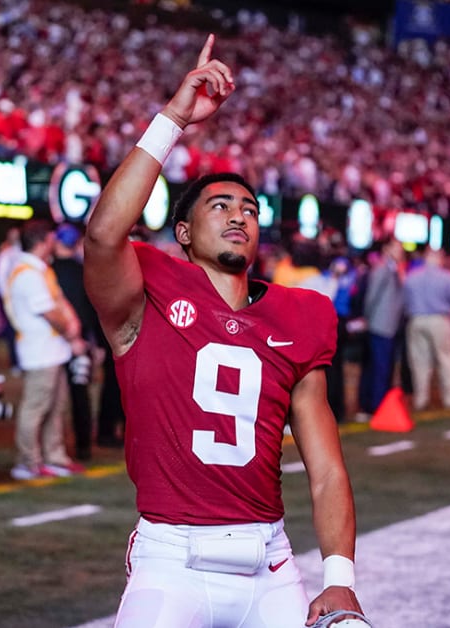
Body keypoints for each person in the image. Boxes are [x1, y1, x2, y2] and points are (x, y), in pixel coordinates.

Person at [83, 35, 363, 627]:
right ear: (182, 233)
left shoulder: (300, 314)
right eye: (220, 206)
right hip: (171, 558)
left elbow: (326, 468)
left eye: (250, 209)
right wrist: (174, 119)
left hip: (269, 562)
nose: (239, 214)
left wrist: (340, 578)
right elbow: (105, 233)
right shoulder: (149, 292)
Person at [5, 220, 86, 480]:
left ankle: (54, 457)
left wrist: (71, 328)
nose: (54, 243)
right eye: (50, 239)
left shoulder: (39, 269)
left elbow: (58, 303)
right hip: (39, 353)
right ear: (41, 243)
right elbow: (50, 312)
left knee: (55, 407)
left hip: (52, 350)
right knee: (36, 407)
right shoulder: (27, 273)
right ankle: (28, 461)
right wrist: (71, 331)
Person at [52, 223, 100, 461]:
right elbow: (93, 310)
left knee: (54, 398)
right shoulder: (84, 271)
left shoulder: (48, 272)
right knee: (80, 394)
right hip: (80, 342)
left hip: (54, 341)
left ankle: (55, 447)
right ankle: (83, 446)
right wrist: (95, 342)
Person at [403, 248, 450, 411]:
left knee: (419, 362)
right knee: (445, 359)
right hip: (439, 320)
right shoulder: (446, 277)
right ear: (439, 259)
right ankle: (449, 398)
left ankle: (421, 399)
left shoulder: (412, 277)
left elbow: (404, 300)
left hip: (416, 320)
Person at [359, 238, 404, 418]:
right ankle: (375, 406)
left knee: (381, 367)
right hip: (380, 325)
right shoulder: (382, 269)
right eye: (397, 248)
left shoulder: (393, 269)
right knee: (379, 368)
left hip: (387, 325)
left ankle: (375, 405)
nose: (401, 251)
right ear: (386, 249)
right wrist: (367, 318)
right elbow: (372, 297)